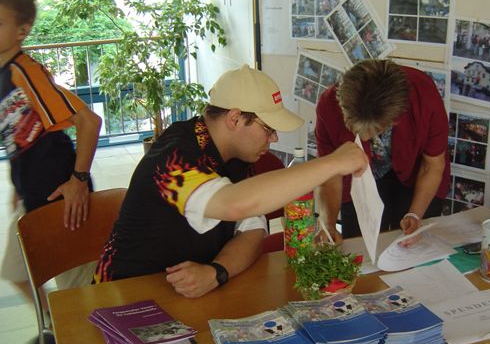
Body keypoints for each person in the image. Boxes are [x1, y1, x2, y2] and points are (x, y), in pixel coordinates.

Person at [93, 65, 368, 298]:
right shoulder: (174, 159)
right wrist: (333, 162)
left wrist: (217, 272)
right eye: (268, 128)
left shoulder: (236, 156)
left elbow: (252, 230)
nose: (274, 138)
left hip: (187, 292)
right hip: (125, 293)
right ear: (235, 119)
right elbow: (234, 205)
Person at [0, 0, 102, 344]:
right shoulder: (7, 69)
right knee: (18, 273)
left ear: (22, 30)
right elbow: (22, 137)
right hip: (34, 197)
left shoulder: (26, 71)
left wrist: (78, 181)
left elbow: (89, 121)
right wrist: (16, 187)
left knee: (77, 286)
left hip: (62, 200)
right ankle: (57, 326)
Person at [315, 59, 450, 243]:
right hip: (359, 179)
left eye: (375, 131)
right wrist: (328, 224)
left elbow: (431, 166)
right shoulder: (328, 105)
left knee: (412, 242)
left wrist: (415, 214)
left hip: (417, 173)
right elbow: (330, 177)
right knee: (360, 242)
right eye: (355, 130)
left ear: (396, 117)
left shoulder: (424, 96)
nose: (363, 140)